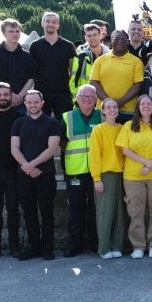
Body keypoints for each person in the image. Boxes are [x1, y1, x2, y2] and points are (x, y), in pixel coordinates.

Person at [116, 94, 152, 259]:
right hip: (133, 176)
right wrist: (146, 162)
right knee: (135, 211)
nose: (146, 106)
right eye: (143, 104)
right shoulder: (128, 126)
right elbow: (125, 149)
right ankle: (138, 246)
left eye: (149, 104)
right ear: (138, 107)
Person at [10, 90, 61, 260]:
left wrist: (31, 165)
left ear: (42, 103)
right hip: (24, 175)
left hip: (44, 174)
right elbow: (14, 148)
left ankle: (47, 247)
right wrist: (27, 166)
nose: (33, 105)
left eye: (36, 102)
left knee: (47, 211)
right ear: (25, 104)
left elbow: (52, 148)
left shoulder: (52, 123)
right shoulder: (18, 123)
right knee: (29, 212)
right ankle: (33, 247)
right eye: (29, 102)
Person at [61, 84, 102, 257]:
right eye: (83, 96)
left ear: (96, 100)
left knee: (95, 210)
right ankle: (74, 245)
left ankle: (95, 243)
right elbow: (61, 144)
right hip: (75, 171)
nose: (87, 100)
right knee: (75, 210)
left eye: (90, 97)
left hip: (97, 172)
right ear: (76, 99)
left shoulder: (103, 115)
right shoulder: (66, 117)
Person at [89, 98, 126, 259]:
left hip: (123, 175)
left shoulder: (123, 128)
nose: (112, 110)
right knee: (105, 213)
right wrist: (97, 178)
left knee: (120, 213)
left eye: (115, 107)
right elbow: (95, 156)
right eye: (108, 107)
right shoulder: (99, 130)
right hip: (106, 175)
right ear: (103, 111)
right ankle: (104, 248)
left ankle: (117, 245)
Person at [0, 82, 22, 257]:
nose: (2, 98)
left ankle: (14, 245)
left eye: (5, 94)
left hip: (13, 171)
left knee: (13, 210)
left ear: (11, 96)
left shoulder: (19, 118)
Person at [90, 29, 144, 123]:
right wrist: (108, 101)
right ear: (111, 42)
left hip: (129, 111)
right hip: (104, 109)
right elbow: (94, 82)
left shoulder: (136, 62)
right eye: (116, 39)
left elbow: (138, 84)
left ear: (128, 42)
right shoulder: (100, 60)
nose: (119, 42)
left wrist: (121, 101)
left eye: (123, 40)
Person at [29, 12, 76, 118]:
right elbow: (31, 71)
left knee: (65, 125)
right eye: (48, 21)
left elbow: (72, 70)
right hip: (41, 92)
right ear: (42, 23)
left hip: (63, 92)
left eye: (54, 22)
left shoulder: (68, 46)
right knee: (41, 125)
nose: (51, 24)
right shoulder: (35, 46)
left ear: (58, 25)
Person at [0, 18, 34, 115]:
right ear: (4, 33)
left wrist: (20, 96)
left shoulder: (26, 55)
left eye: (17, 31)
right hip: (0, 102)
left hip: (21, 102)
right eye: (11, 31)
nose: (15, 34)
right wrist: (10, 95)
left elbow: (31, 77)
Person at [70, 24, 109, 98]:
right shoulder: (79, 58)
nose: (92, 38)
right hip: (87, 101)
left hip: (106, 99)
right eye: (89, 36)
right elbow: (73, 83)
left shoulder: (110, 57)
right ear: (85, 38)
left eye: (95, 35)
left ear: (100, 35)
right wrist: (76, 101)